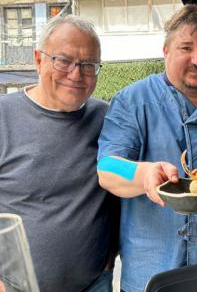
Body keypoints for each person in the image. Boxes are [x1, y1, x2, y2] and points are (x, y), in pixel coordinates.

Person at [97, 4, 197, 292]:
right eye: (186, 48)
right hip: (150, 271)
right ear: (166, 51)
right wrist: (142, 174)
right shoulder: (133, 101)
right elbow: (106, 167)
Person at [0, 15, 121, 292]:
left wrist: (109, 257)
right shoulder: (3, 117)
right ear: (38, 60)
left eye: (88, 65)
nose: (76, 74)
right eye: (63, 60)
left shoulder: (106, 118)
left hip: (95, 283)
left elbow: (120, 183)